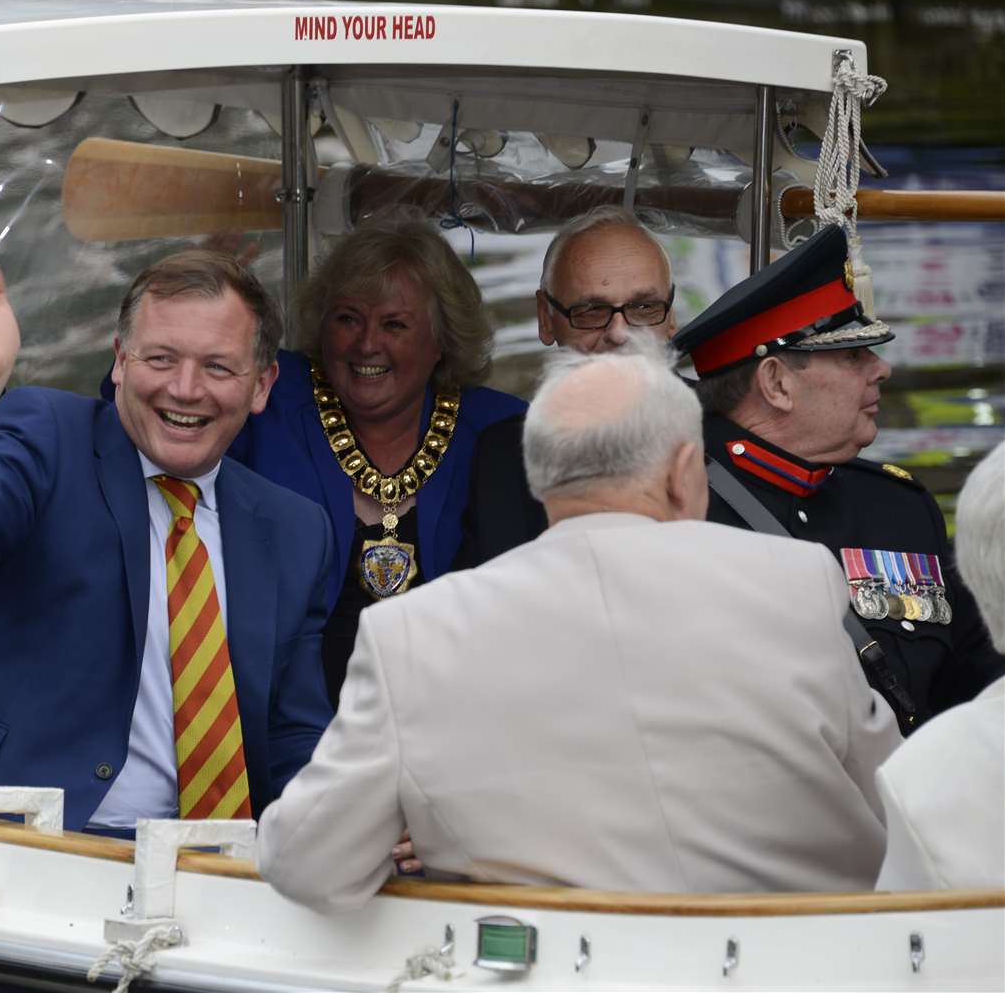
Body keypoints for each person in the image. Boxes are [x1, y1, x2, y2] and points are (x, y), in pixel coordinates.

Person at [256, 337, 901, 910]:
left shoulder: (413, 632)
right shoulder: (798, 582)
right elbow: (894, 808)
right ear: (683, 473)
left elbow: (309, 865)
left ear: (540, 482)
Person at [0, 237, 336, 833]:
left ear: (262, 385)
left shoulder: (295, 528)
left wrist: (341, 816)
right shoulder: (47, 437)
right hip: (21, 837)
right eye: (161, 359)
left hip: (214, 858)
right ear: (119, 361)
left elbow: (293, 731)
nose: (185, 389)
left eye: (217, 366)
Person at [674, 225, 1005, 732]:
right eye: (853, 355)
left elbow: (977, 682)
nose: (882, 370)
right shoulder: (673, 507)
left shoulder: (898, 508)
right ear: (777, 383)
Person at [222, 218, 523, 704]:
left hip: (449, 722)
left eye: (395, 324)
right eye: (347, 318)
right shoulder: (270, 396)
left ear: (441, 338)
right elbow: (140, 407)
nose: (366, 344)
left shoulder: (500, 432)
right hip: (282, 725)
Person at [458, 205, 678, 567]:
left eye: (643, 308)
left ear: (670, 317)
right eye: (591, 311)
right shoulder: (505, 456)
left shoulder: (728, 428)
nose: (619, 333)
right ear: (546, 319)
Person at [875, 440, 1005, 890]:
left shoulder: (926, 773)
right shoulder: (925, 774)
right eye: (852, 361)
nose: (879, 373)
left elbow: (899, 941)